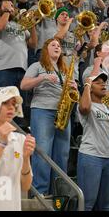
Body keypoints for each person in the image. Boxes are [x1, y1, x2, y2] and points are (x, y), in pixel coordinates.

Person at [20, 38, 77, 195]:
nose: (57, 47)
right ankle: (40, 192)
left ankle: (58, 193)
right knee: (43, 151)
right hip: (42, 110)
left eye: (59, 45)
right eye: (53, 44)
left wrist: (74, 88)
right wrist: (42, 77)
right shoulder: (37, 66)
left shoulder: (65, 70)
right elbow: (23, 85)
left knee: (62, 154)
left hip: (62, 113)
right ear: (46, 49)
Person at [77, 72, 109, 211]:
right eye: (98, 82)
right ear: (90, 86)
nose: (103, 84)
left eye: (104, 82)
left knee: (107, 204)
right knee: (87, 203)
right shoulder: (87, 104)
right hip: (91, 156)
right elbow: (85, 108)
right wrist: (87, 85)